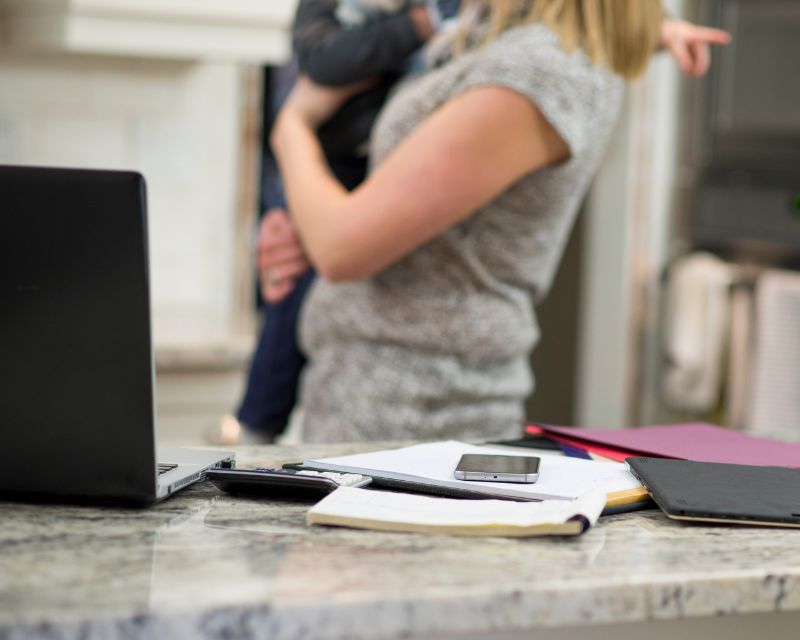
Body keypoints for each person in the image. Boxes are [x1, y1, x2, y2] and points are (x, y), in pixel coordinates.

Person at [262, 0, 731, 443]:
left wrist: (292, 127)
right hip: (371, 405)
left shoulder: (534, 71)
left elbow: (343, 248)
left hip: (414, 420)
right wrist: (312, 217)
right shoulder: (494, 40)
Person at [231, 0, 461, 444]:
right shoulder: (352, 11)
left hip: (395, 168)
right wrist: (420, 23)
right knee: (293, 294)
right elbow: (325, 63)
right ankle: (254, 428)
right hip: (335, 164)